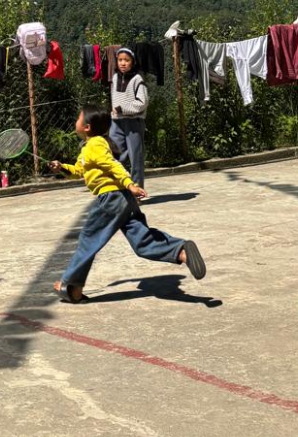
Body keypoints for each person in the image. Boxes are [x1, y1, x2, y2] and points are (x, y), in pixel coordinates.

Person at [49, 108, 205, 303]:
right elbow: (79, 171)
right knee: (143, 242)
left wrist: (130, 184)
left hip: (111, 199)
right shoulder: (90, 147)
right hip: (124, 200)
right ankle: (181, 251)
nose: (75, 121)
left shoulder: (95, 144)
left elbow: (112, 164)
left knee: (88, 240)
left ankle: (72, 287)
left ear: (87, 127)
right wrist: (62, 168)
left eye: (78, 118)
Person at [109, 46, 148, 187]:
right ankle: (122, 187)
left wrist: (122, 109)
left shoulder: (137, 79)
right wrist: (114, 111)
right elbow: (114, 97)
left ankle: (137, 189)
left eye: (127, 60)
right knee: (116, 154)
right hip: (116, 122)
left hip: (133, 122)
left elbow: (142, 103)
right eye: (120, 60)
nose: (123, 63)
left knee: (135, 156)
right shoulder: (115, 77)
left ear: (133, 62)